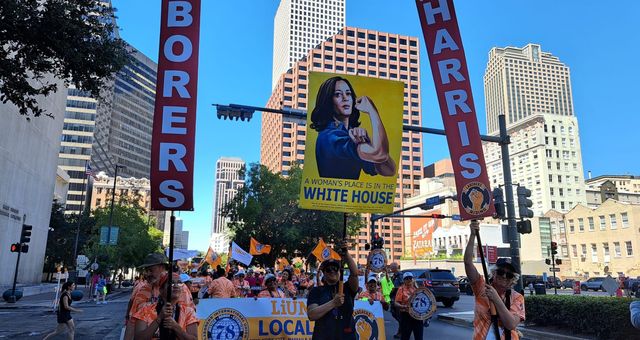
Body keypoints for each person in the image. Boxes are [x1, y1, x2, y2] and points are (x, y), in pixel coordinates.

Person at [310, 76, 396, 180]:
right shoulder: (329, 137)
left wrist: (367, 143)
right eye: (338, 94)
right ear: (328, 101)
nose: (345, 98)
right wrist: (372, 111)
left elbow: (389, 170)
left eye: (348, 93)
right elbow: (380, 154)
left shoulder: (350, 136)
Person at [464, 220, 525, 340]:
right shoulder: (481, 286)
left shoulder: (517, 297)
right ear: (494, 273)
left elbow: (511, 324)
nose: (504, 276)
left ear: (513, 280)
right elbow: (468, 263)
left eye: (509, 275)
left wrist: (496, 299)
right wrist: (472, 235)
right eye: (501, 272)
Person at [130, 253, 197, 340]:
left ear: (162, 267)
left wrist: (176, 327)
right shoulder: (142, 290)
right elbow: (132, 323)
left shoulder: (181, 289)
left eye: (150, 270)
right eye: (146, 270)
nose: (147, 274)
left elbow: (190, 318)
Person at [307, 241, 359, 339]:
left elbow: (355, 273)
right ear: (324, 274)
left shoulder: (347, 288)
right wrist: (333, 303)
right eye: (328, 269)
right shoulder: (316, 291)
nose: (332, 271)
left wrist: (346, 253)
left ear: (340, 272)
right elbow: (312, 315)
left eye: (335, 268)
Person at [393, 272, 423, 340]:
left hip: (417, 316)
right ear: (404, 280)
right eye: (406, 278)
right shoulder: (401, 289)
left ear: (413, 279)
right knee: (405, 337)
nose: (409, 280)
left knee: (419, 337)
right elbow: (396, 303)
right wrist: (402, 306)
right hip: (406, 315)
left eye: (410, 278)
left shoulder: (417, 288)